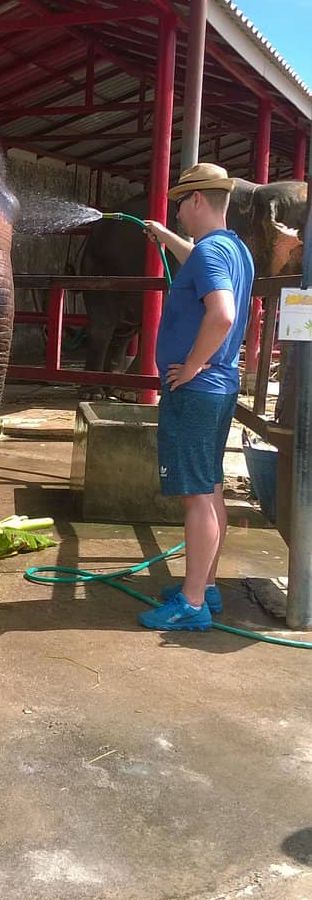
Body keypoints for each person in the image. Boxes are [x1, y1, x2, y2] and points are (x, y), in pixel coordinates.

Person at [138, 163, 254, 632]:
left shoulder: (210, 254)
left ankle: (190, 604)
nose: (179, 212)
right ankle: (204, 585)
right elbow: (201, 264)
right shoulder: (233, 249)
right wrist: (166, 236)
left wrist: (191, 364)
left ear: (198, 200)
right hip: (220, 388)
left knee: (196, 498)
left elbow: (222, 315)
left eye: (181, 204)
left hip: (196, 389)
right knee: (212, 489)